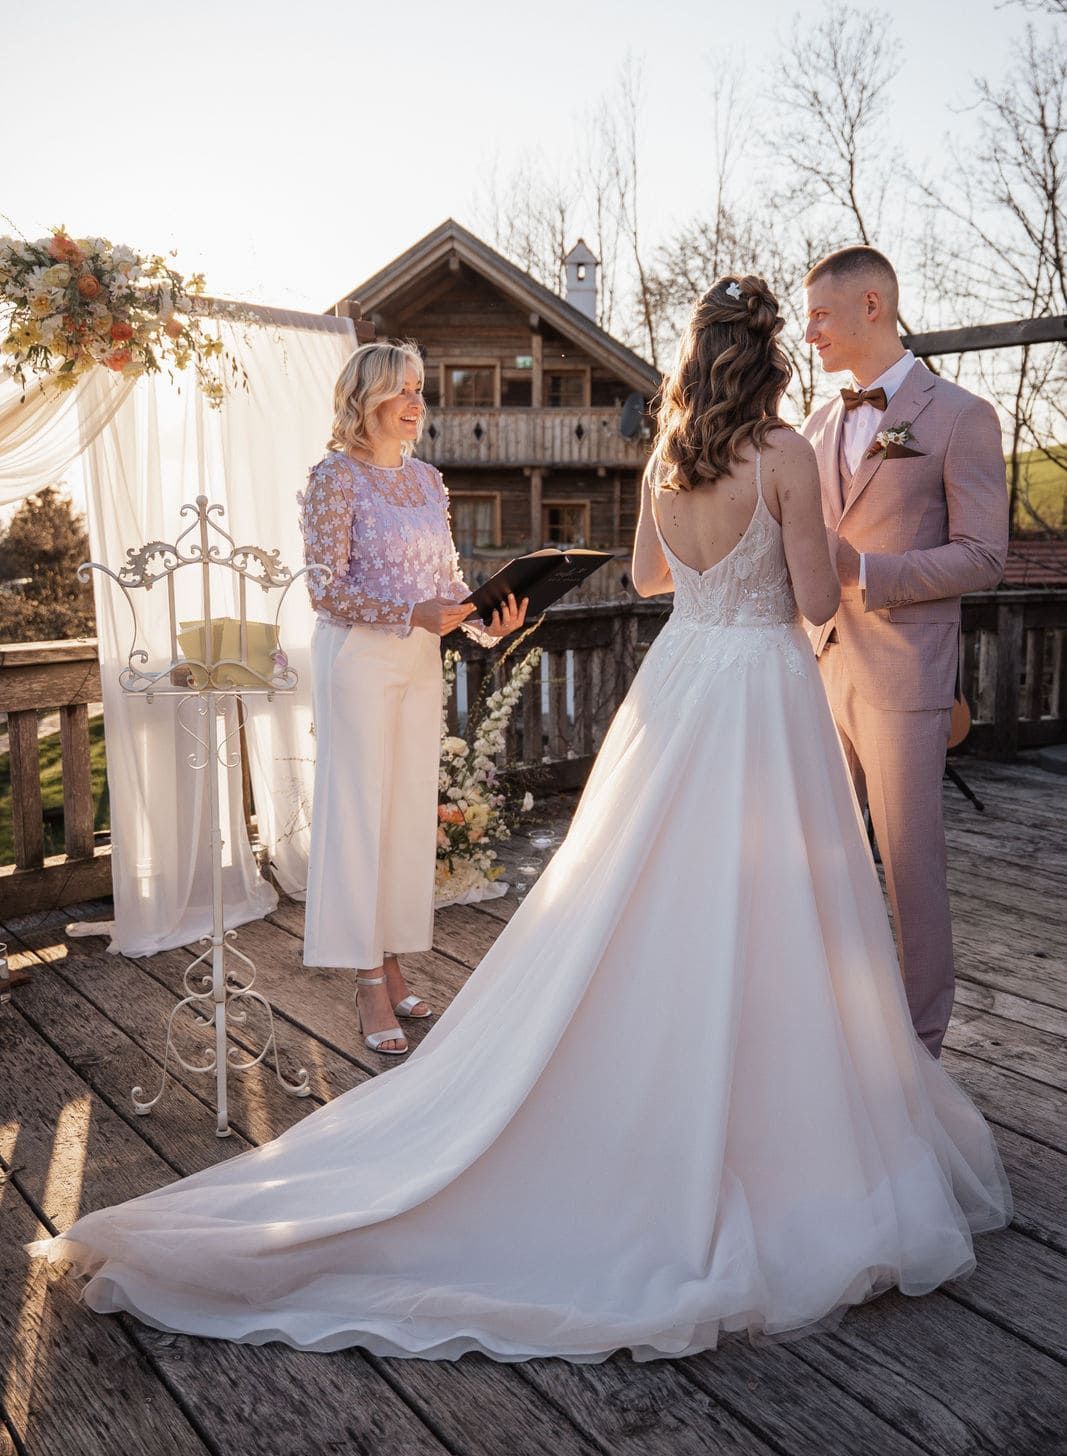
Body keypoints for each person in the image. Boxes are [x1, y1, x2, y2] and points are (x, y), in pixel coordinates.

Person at [27, 277, 1011, 1361]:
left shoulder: (668, 451)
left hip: (681, 683)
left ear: (694, 360)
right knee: (779, 898)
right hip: (760, 691)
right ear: (770, 359)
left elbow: (646, 575)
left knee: (642, 894)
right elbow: (820, 603)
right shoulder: (782, 455)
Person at [801, 247, 1009, 1057]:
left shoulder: (959, 415)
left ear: (871, 307)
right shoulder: (815, 424)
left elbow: (983, 557)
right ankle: (835, 1022)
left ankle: (918, 1045)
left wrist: (867, 571)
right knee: (820, 855)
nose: (809, 329)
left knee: (908, 869)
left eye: (821, 313)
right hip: (815, 665)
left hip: (902, 675)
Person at [299, 341, 525, 1054]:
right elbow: (323, 589)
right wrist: (407, 616)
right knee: (363, 816)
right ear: (364, 399)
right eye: (400, 390)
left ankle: (392, 960)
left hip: (421, 660)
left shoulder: (430, 481)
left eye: (420, 389)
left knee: (403, 818)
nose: (415, 403)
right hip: (359, 661)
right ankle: (368, 979)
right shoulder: (333, 478)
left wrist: (489, 624)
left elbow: (448, 582)